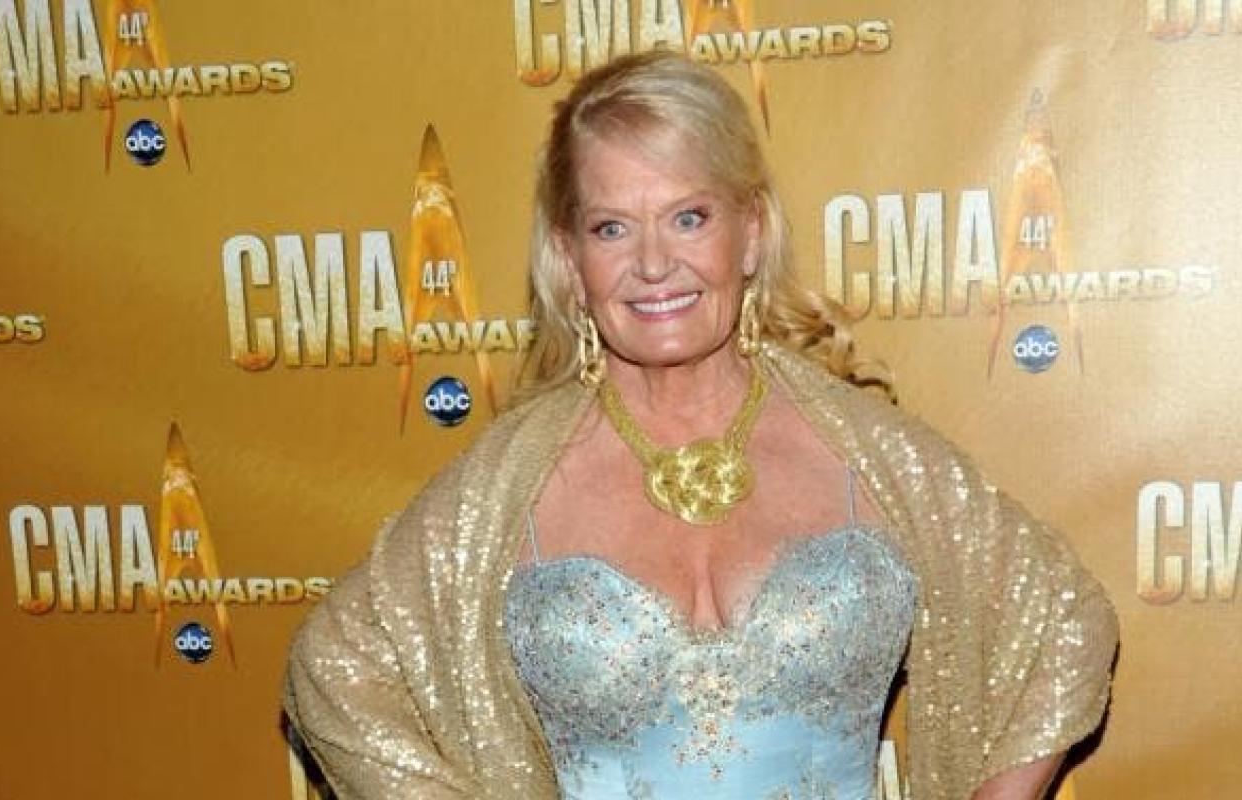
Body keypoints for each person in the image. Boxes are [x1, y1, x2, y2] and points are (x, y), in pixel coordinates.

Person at [283, 52, 1117, 800]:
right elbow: (334, 670)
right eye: (612, 227)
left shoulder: (867, 450)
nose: (653, 264)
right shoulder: (507, 487)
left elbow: (1063, 620)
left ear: (750, 233)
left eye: (689, 217)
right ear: (570, 260)